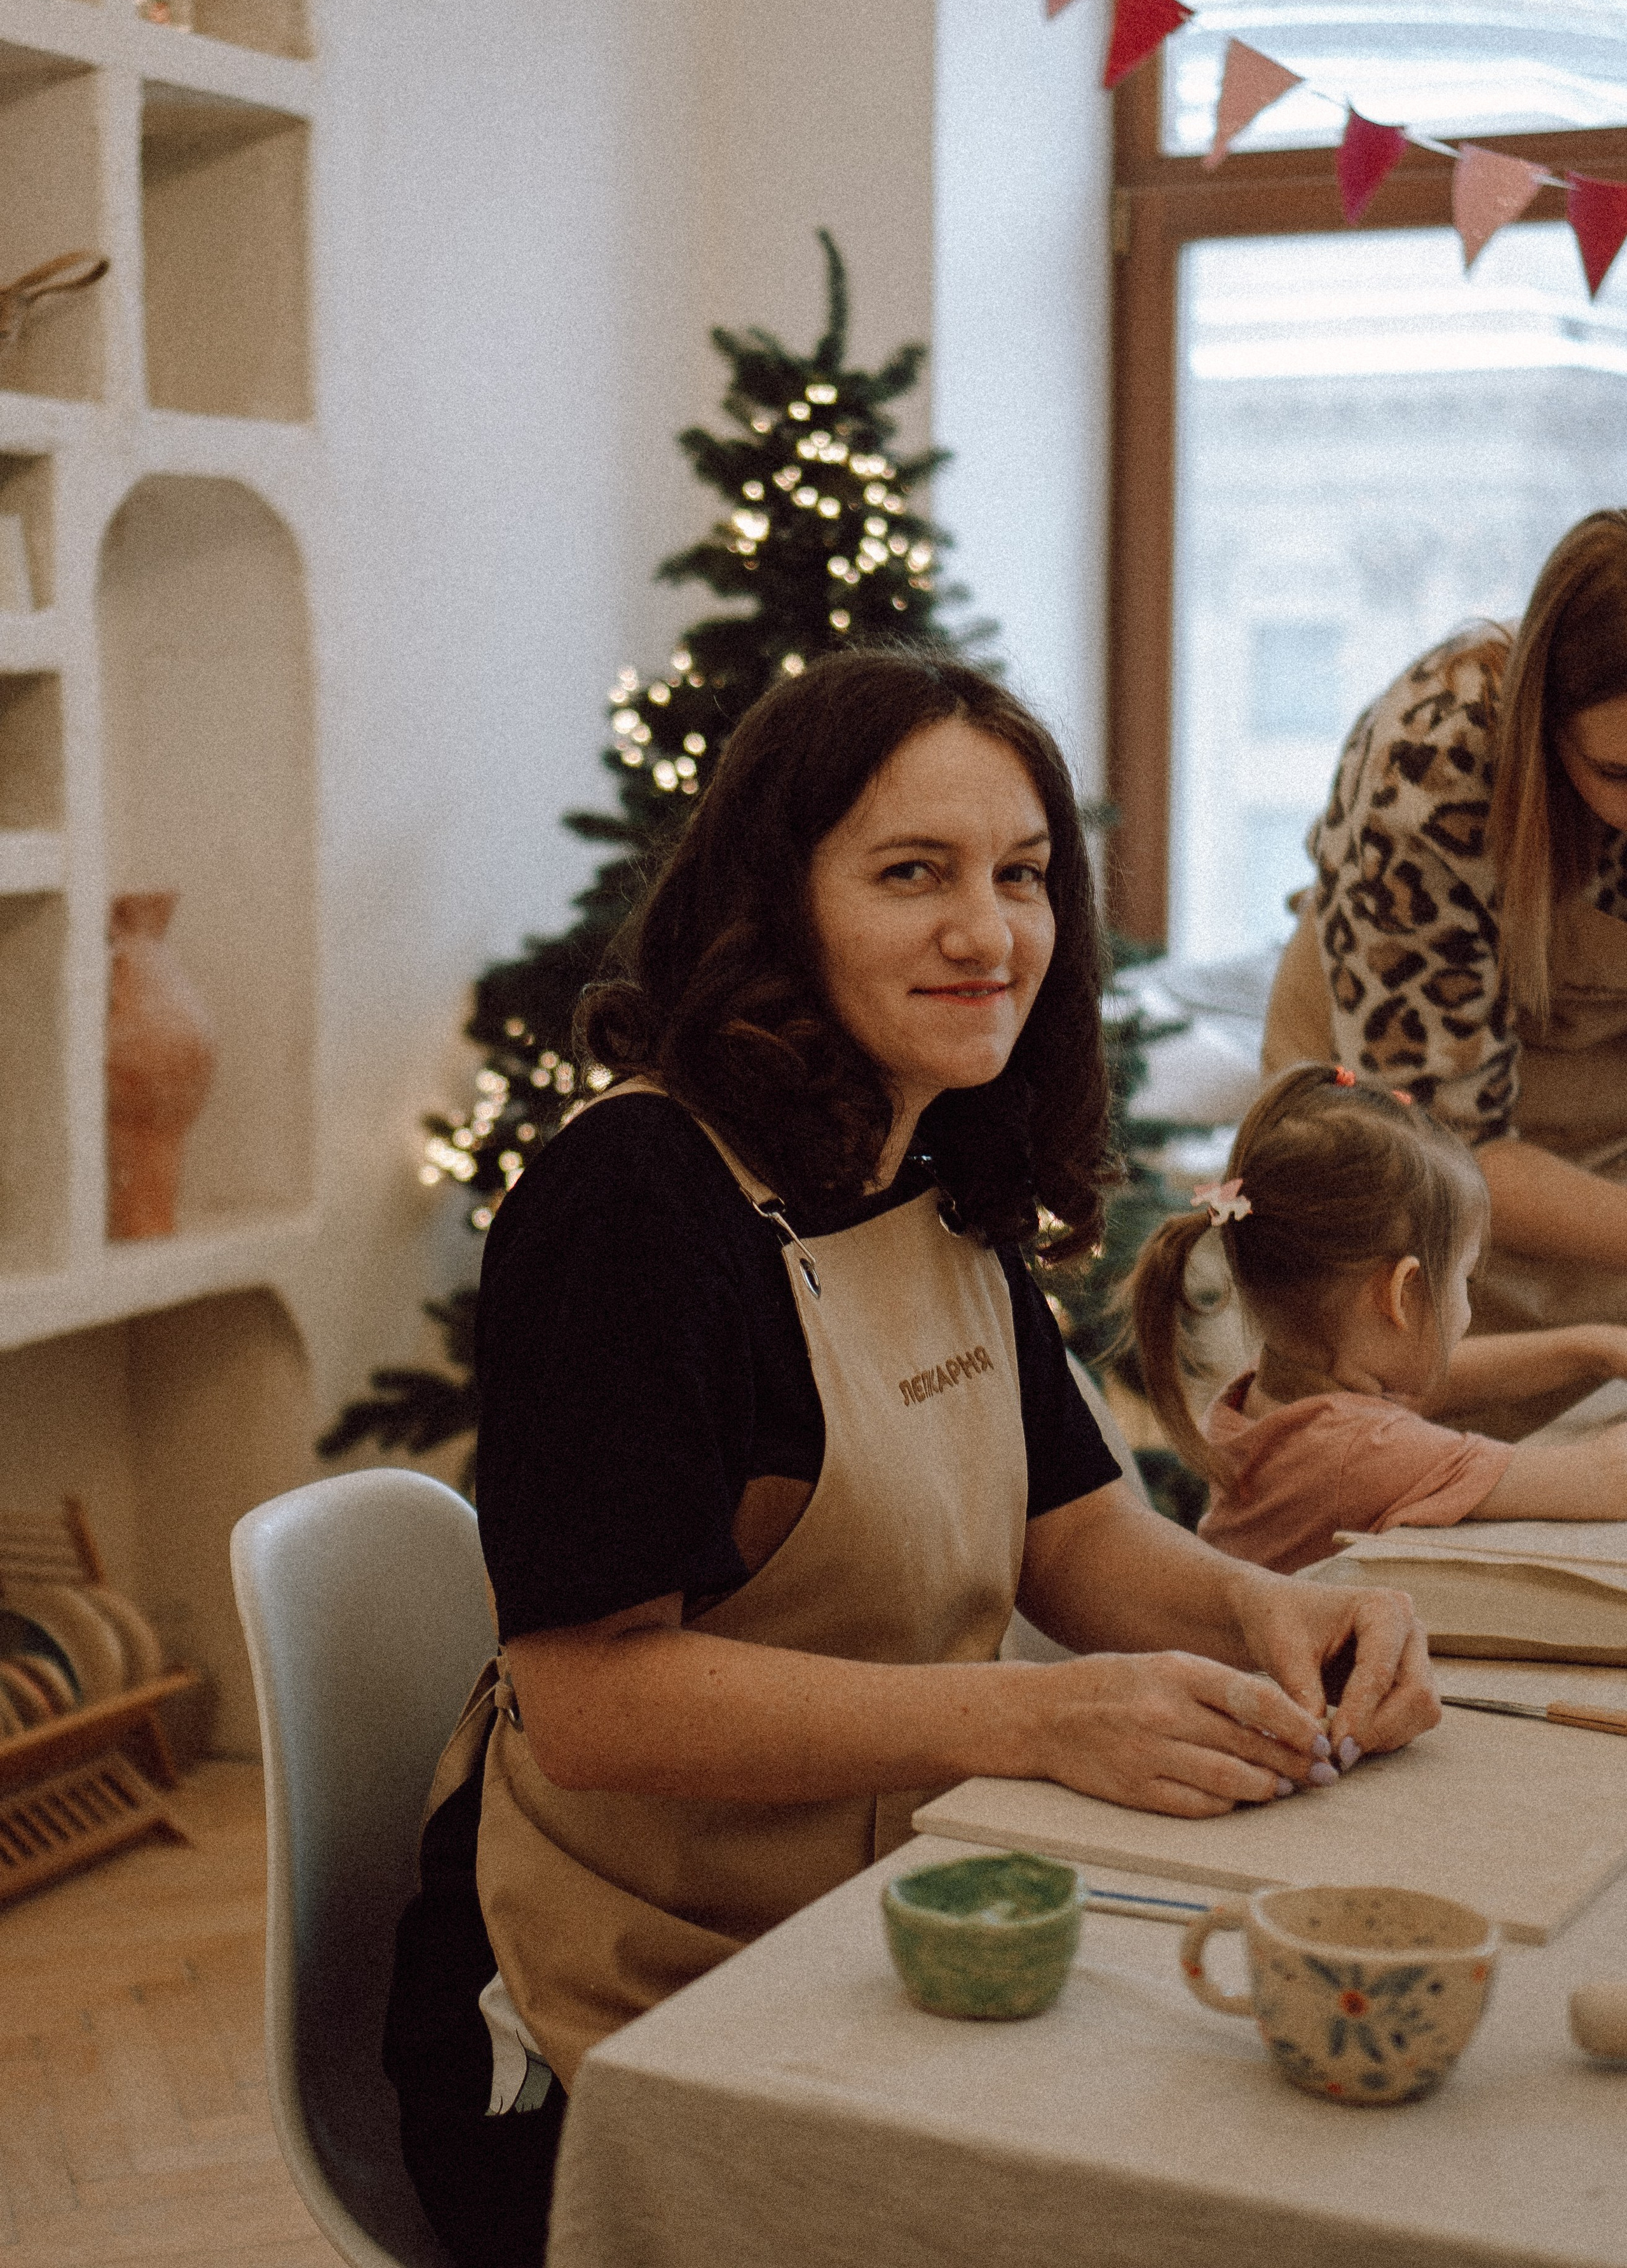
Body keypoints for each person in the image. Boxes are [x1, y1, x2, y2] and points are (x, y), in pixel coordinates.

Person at [385, 651, 1438, 2268]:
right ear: (774, 901)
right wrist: (1038, 1717)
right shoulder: (634, 1203)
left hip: (867, 1929)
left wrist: (1263, 1614)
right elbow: (590, 1702)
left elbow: (1070, 1534)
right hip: (607, 2033)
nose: (986, 933)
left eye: (1020, 875)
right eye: (910, 874)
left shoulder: (932, 1162)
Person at [1264, 507, 1627, 1438]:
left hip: (1595, 1126)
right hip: (1408, 1155)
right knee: (1393, 1445)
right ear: (1543, 728)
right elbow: (1446, 1140)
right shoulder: (1427, 766)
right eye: (1621, 776)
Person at [1129, 1063, 1627, 1575]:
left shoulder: (1272, 1392)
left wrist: (1594, 1349)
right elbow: (1607, 1482)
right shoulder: (1361, 1454)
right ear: (1400, 1294)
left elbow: (1429, 1388)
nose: (1468, 1305)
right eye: (1465, 1278)